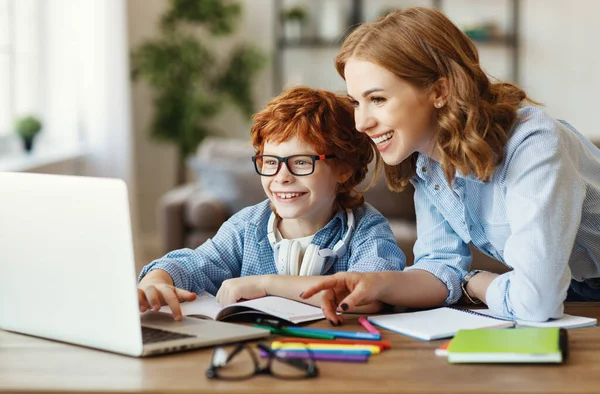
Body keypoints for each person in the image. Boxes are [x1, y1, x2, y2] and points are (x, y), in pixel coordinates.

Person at [300, 7, 600, 324]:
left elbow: (536, 302)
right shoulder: (427, 165)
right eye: (356, 102)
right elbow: (440, 265)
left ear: (440, 91)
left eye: (378, 99)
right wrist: (378, 284)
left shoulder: (533, 145)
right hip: (571, 294)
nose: (361, 123)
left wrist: (477, 282)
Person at [137, 86, 406, 320]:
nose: (282, 177)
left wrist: (268, 284)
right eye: (271, 162)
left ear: (344, 169)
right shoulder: (247, 226)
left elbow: (369, 294)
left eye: (301, 162)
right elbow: (194, 264)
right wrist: (157, 279)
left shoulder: (367, 229)